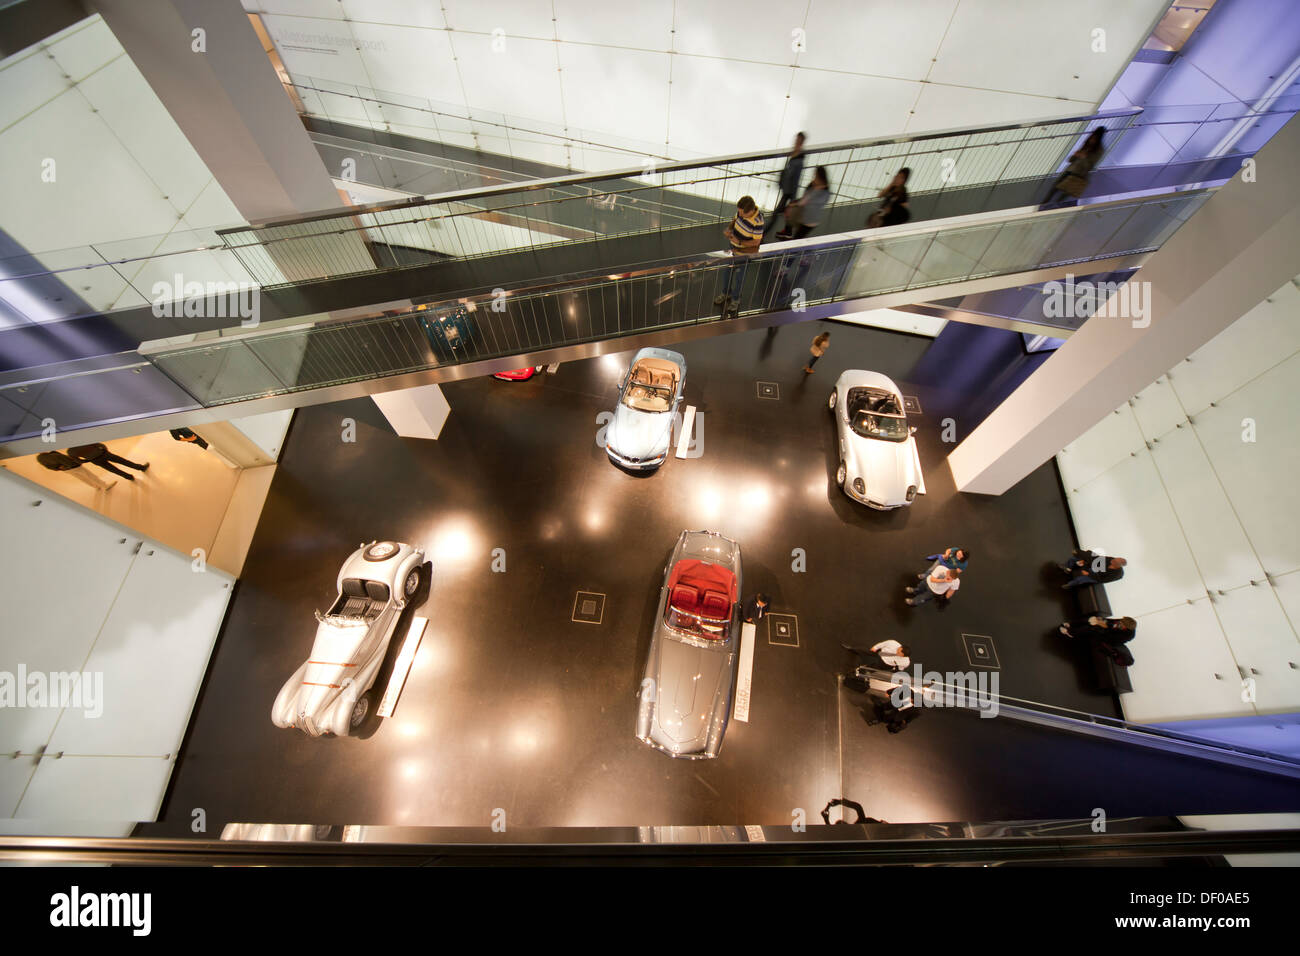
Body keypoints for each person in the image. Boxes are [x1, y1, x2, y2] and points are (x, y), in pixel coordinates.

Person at [714, 195, 763, 316]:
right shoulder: (741, 212)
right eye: (739, 212)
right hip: (733, 249)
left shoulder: (758, 221)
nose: (740, 215)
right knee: (727, 272)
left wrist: (739, 242)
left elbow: (756, 242)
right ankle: (726, 293)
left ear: (750, 211)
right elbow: (735, 220)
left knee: (740, 278)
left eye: (743, 214)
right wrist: (729, 229)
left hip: (744, 254)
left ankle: (736, 300)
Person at [1040, 127, 1105, 209]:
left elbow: (1089, 167)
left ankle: (1051, 208)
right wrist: (1075, 155)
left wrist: (1083, 157)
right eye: (1092, 136)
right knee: (1054, 188)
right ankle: (1043, 206)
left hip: (1079, 175)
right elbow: (1070, 160)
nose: (1092, 139)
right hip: (1070, 171)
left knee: (1064, 194)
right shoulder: (1086, 145)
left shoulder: (1099, 150)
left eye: (1094, 138)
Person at [764, 131, 806, 239]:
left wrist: (793, 200)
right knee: (785, 213)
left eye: (798, 140)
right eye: (796, 139)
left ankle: (763, 234)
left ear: (801, 142)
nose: (795, 142)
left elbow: (796, 180)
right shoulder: (794, 154)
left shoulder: (799, 161)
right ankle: (787, 231)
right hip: (786, 191)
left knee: (776, 214)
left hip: (789, 193)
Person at [776, 166, 832, 240]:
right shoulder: (813, 185)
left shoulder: (824, 191)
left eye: (815, 174)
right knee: (792, 221)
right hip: (804, 216)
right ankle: (788, 232)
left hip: (810, 219)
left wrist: (795, 204)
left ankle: (790, 238)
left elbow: (808, 201)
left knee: (798, 237)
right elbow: (805, 198)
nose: (814, 176)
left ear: (820, 175)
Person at [67, 443, 150, 481]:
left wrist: (88, 459)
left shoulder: (70, 451)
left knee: (113, 469)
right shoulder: (82, 440)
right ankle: (141, 468)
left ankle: (128, 477)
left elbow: (78, 460)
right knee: (123, 461)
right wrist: (105, 450)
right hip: (104, 454)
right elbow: (99, 444)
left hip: (96, 460)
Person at [1061, 550, 1126, 589]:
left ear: (1117, 566)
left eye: (1114, 561)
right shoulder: (1111, 559)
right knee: (1075, 559)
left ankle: (1070, 585)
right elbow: (1097, 559)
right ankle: (1068, 568)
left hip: (1097, 577)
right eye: (1114, 559)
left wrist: (1089, 574)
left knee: (1081, 579)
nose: (1112, 560)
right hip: (1095, 568)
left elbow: (1101, 579)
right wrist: (1085, 560)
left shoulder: (1116, 574)